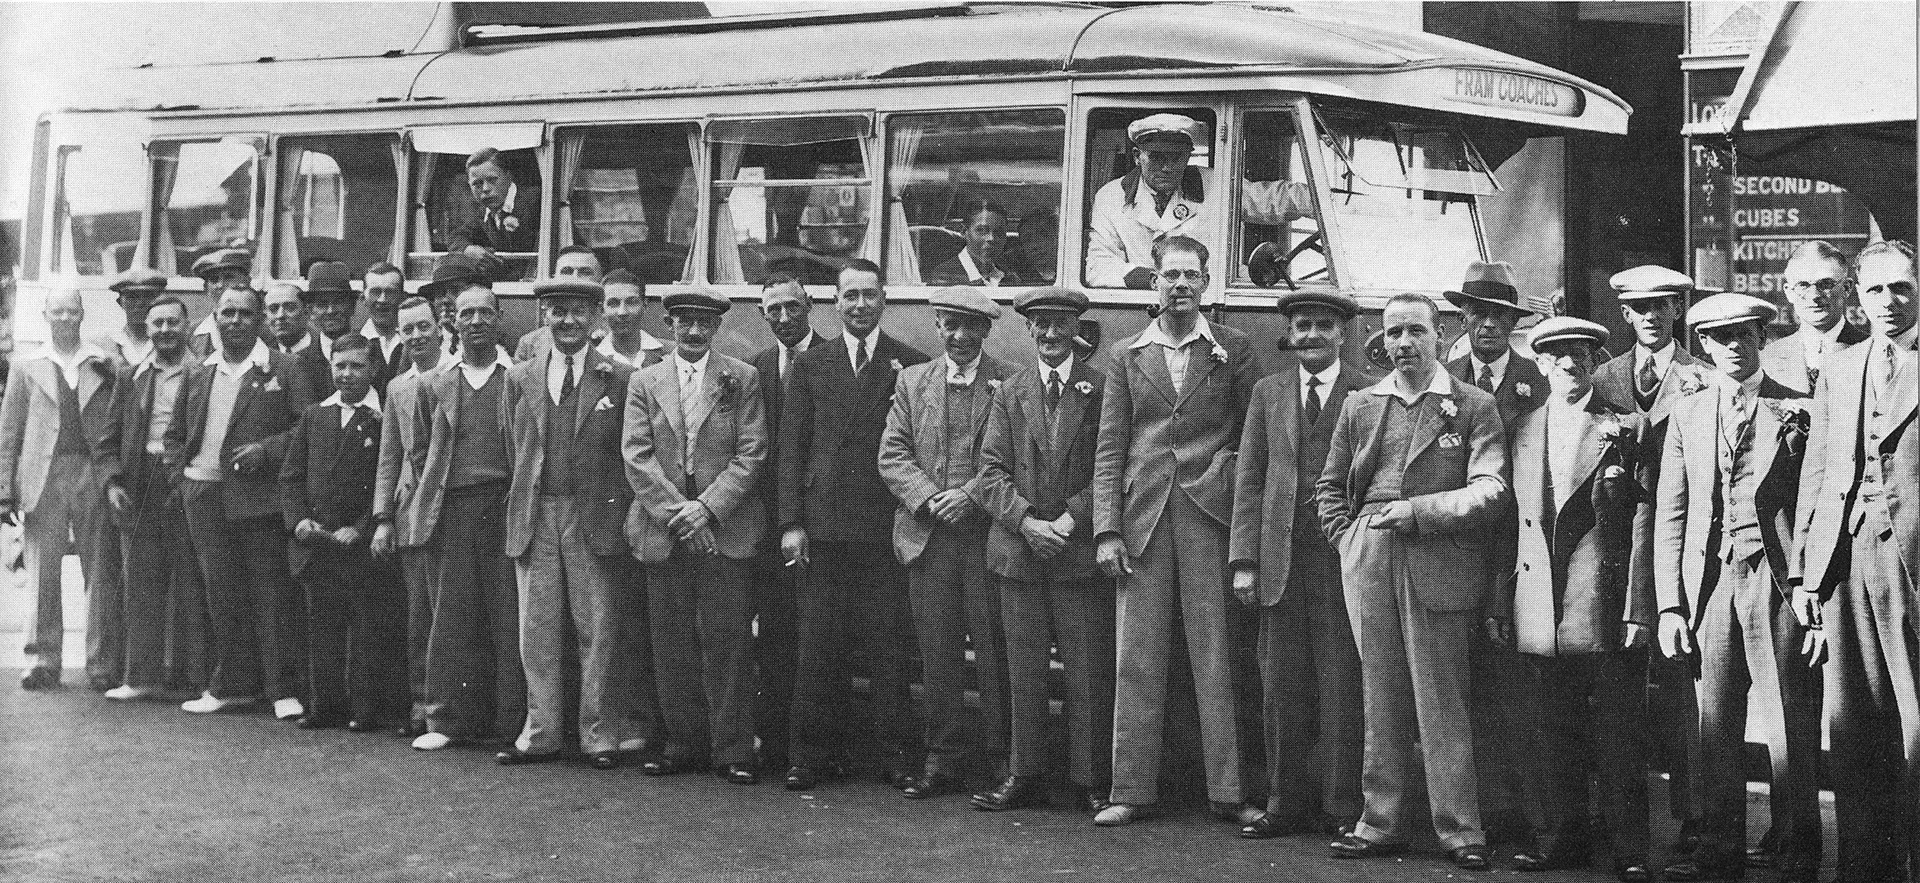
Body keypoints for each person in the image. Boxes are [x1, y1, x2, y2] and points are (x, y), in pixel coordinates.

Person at [1314, 292, 1506, 872]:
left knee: (1441, 697)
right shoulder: (1361, 405)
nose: (1403, 343)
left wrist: (1421, 512)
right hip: (1370, 556)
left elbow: (1490, 489)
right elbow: (1329, 487)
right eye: (1393, 333)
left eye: (1415, 331)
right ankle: (1378, 820)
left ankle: (1459, 829)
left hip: (1438, 559)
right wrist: (1350, 541)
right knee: (1380, 694)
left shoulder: (1472, 405)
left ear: (1440, 332)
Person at [1090, 235, 1260, 827]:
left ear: (1206, 282)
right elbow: (1110, 447)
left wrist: (1222, 471)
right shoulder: (1126, 355)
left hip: (1207, 517)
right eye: (1170, 276)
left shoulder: (1231, 351)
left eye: (1191, 275)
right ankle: (1129, 790)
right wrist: (1106, 530)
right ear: (1155, 283)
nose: (1180, 285)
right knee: (1135, 656)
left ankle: (1229, 790)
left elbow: (1249, 437)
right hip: (1143, 520)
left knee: (1215, 653)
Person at [1653, 293, 1821, 883]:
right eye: (1719, 337)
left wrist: (1809, 585)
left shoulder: (1797, 407)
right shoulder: (1687, 415)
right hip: (1710, 579)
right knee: (1714, 720)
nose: (1732, 346)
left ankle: (1798, 849)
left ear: (1760, 338)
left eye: (1743, 335)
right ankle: (1720, 849)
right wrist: (1671, 604)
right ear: (1703, 345)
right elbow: (1671, 515)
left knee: (1787, 722)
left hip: (1776, 577)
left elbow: (1813, 506)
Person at [1487, 317, 1654, 883]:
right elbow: (1508, 524)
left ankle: (1629, 848)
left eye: (1581, 355)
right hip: (1536, 593)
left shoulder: (1627, 425)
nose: (1570, 365)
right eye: (1557, 357)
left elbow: (1645, 521)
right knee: (1548, 728)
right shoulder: (1523, 427)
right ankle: (1557, 839)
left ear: (1595, 360)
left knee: (1616, 730)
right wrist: (1499, 601)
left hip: (1600, 594)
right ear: (1540, 364)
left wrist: (1639, 604)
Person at [775, 259, 932, 791]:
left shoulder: (908, 364)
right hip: (825, 529)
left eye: (869, 294)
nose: (860, 304)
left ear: (884, 300)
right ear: (836, 303)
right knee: (818, 646)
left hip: (884, 529)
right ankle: (810, 758)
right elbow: (792, 447)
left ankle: (895, 759)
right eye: (850, 296)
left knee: (889, 647)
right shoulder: (812, 364)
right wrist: (792, 522)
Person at [1792, 238, 1919, 883]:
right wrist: (1806, 577)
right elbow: (1817, 475)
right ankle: (1863, 868)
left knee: (1916, 723)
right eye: (1876, 290)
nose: (1890, 302)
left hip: (1912, 567)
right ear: (1859, 300)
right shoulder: (1842, 370)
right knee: (1851, 723)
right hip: (1843, 563)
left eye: (1902, 287)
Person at [1228, 288, 1369, 839]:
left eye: (1323, 327)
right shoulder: (1268, 392)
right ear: (1291, 334)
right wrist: (1244, 561)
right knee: (1280, 689)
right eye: (1303, 326)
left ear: (1342, 334)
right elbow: (1250, 478)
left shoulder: (1364, 390)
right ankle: (1283, 803)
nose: (1311, 336)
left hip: (1341, 563)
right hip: (1280, 563)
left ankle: (1340, 807)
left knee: (1341, 689)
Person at [967, 286, 1112, 815]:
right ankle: (1022, 772)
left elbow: (1111, 468)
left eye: (1059, 325)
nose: (1050, 335)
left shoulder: (1100, 388)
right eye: (1040, 326)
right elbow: (989, 471)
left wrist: (1071, 519)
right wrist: (1028, 522)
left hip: (1075, 553)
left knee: (1086, 672)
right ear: (1028, 331)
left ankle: (1091, 779)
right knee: (1023, 670)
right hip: (1021, 553)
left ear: (1075, 329)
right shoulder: (1010, 391)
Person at [498, 278, 652, 769]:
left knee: (598, 627)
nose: (566, 321)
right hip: (538, 512)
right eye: (557, 312)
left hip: (593, 516)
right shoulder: (520, 377)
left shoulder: (620, 378)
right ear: (545, 316)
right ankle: (540, 731)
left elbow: (629, 455)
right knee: (536, 630)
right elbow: (513, 445)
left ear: (594, 318)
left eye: (577, 312)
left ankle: (598, 734)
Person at [1590, 263, 1711, 857]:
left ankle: (1696, 823)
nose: (1651, 319)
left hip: (1676, 552)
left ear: (1678, 311)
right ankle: (1624, 833)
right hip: (1611, 556)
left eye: (1662, 307)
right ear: (1624, 315)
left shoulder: (1703, 377)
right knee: (1617, 698)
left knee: (1681, 695)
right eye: (1640, 310)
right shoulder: (1602, 376)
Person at [623, 287, 768, 785]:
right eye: (684, 321)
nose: (694, 331)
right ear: (669, 323)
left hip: (723, 529)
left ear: (717, 327)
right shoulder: (645, 381)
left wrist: (705, 510)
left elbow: (751, 454)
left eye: (704, 322)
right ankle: (682, 742)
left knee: (728, 639)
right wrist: (679, 517)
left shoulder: (741, 377)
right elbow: (636, 457)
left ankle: (732, 748)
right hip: (664, 531)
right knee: (671, 641)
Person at [878, 287, 1013, 800]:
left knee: (992, 652)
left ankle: (1003, 758)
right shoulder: (913, 382)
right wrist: (932, 498)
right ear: (937, 327)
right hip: (927, 539)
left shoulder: (1008, 383)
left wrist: (970, 498)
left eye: (970, 327)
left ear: (986, 331)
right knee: (937, 656)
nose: (959, 336)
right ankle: (944, 755)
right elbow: (892, 455)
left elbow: (1012, 458)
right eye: (950, 325)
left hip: (983, 540)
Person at [166, 285, 306, 720]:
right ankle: (230, 686)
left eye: (246, 314)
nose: (236, 322)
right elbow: (175, 434)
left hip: (258, 500)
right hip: (203, 496)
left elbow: (306, 430)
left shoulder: (282, 367)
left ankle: (281, 690)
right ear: (215, 315)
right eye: (228, 313)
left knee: (270, 595)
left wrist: (268, 449)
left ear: (260, 317)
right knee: (221, 596)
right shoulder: (199, 371)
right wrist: (183, 478)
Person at [1441, 259, 1544, 845]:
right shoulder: (1439, 373)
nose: (1488, 325)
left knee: (1518, 679)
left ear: (1512, 321)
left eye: (1500, 315)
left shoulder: (1537, 378)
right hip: (1455, 544)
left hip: (1515, 547)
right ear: (1464, 315)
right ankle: (1468, 810)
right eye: (1478, 313)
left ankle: (1520, 813)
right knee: (1459, 679)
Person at [400, 281, 528, 751]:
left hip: (503, 506)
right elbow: (418, 453)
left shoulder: (516, 379)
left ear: (498, 319)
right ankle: (446, 721)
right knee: (450, 618)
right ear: (452, 321)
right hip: (452, 510)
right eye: (466, 314)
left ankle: (511, 722)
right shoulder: (436, 385)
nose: (476, 322)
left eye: (485, 314)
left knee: (506, 615)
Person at [279, 334, 406, 731]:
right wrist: (299, 520)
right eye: (340, 366)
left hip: (360, 546)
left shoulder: (382, 417)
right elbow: (292, 474)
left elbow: (387, 478)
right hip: (318, 545)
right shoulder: (316, 416)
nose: (347, 374)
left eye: (356, 366)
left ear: (371, 370)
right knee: (323, 628)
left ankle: (366, 709)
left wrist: (363, 527)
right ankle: (326, 705)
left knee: (367, 628)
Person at [0, 289, 121, 692]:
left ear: (83, 314)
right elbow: (10, 430)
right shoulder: (26, 365)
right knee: (42, 568)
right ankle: (42, 658)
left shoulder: (101, 360)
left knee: (99, 568)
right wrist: (5, 489)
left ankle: (101, 660)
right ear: (45, 315)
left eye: (72, 310)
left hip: (91, 470)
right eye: (58, 311)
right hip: (43, 474)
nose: (65, 318)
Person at [100, 296, 208, 700]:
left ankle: (195, 679)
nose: (165, 330)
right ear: (147, 328)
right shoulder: (132, 377)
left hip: (185, 480)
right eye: (157, 323)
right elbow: (107, 440)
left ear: (187, 325)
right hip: (141, 480)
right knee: (141, 582)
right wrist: (112, 482)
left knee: (191, 581)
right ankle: (140, 677)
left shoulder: (204, 372)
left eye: (172, 322)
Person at [1084, 113, 1312, 291]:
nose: (1167, 167)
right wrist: (1158, 280)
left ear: (1188, 156)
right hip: (1147, 307)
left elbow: (1273, 199)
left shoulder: (1214, 183)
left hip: (1209, 298)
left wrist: (1321, 201)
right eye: (1156, 156)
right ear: (1137, 156)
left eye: (1176, 157)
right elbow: (1098, 267)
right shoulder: (1111, 197)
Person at [745, 273, 823, 773]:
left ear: (809, 305)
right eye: (774, 309)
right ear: (763, 313)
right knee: (772, 635)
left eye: (793, 306)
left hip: (815, 526)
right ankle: (773, 744)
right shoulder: (754, 369)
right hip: (767, 525)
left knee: (816, 639)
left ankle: (814, 747)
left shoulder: (831, 359)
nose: (784, 318)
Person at [370, 296, 448, 736]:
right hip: (411, 512)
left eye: (423, 326)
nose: (416, 336)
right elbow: (389, 456)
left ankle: (455, 706)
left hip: (452, 511)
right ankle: (421, 703)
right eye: (407, 330)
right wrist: (384, 518)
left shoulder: (454, 378)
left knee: (452, 613)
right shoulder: (398, 386)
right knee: (419, 614)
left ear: (440, 328)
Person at [1764, 240, 1871, 396]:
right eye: (1803, 285)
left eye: (1825, 284)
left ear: (1847, 288)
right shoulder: (1769, 358)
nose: (1814, 296)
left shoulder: (1871, 351)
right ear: (1789, 292)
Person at [285, 261, 361, 409]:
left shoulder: (370, 354)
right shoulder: (299, 362)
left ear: (352, 308)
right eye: (322, 304)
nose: (330, 311)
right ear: (310, 312)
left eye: (338, 302)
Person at [514, 246, 607, 363]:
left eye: (585, 272)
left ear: (600, 280)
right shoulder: (530, 343)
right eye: (566, 272)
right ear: (555, 278)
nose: (574, 278)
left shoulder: (614, 335)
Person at [449, 147, 540, 256]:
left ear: (508, 177)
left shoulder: (538, 200)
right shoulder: (482, 212)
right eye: (477, 184)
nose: (485, 188)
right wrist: (468, 249)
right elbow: (456, 237)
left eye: (492, 180)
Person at [929, 201, 1028, 287]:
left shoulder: (1009, 276)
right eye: (982, 230)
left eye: (999, 232)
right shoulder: (945, 277)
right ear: (964, 231)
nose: (991, 238)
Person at [597, 269, 669, 368]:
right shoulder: (592, 359)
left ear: (645, 305)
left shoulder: (669, 354)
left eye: (631, 302)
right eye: (613, 303)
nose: (622, 312)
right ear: (601, 310)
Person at [188, 248, 253, 358]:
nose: (220, 285)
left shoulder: (263, 330)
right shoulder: (191, 333)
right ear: (205, 288)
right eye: (214, 280)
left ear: (246, 282)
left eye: (228, 277)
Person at [359, 262, 409, 389]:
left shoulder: (414, 340)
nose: (382, 300)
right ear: (363, 299)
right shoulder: (355, 342)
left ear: (402, 298)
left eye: (390, 292)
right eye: (375, 292)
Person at [108, 268, 169, 368]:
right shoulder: (109, 344)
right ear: (120, 302)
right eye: (132, 297)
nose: (140, 303)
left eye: (148, 296)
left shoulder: (168, 341)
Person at [263, 283, 312, 355]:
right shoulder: (262, 353)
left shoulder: (324, 349)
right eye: (273, 309)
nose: (280, 315)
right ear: (266, 317)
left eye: (290, 308)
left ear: (306, 313)